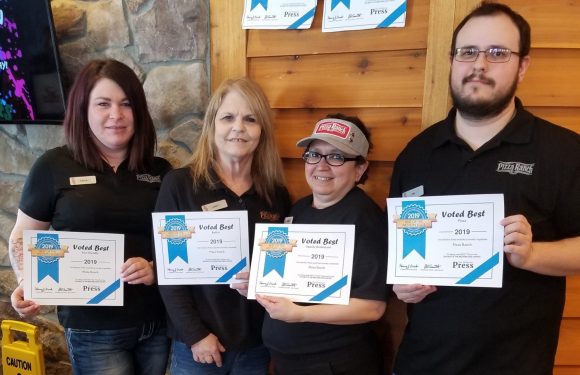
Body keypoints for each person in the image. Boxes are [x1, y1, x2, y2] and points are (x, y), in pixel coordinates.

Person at [389, 2, 580, 374]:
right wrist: (402, 284)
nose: (479, 65)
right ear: (452, 60)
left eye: (497, 53)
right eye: (468, 52)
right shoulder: (416, 154)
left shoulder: (564, 152)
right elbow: (402, 249)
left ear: (522, 65)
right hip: (420, 363)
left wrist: (533, 255)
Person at [8, 59, 172, 375]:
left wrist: (155, 269)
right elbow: (22, 235)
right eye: (103, 104)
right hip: (93, 331)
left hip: (156, 321)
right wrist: (27, 281)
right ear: (83, 109)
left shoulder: (161, 171)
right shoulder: (53, 166)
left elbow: (175, 243)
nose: (116, 115)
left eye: (126, 104)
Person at [154, 77, 291, 375]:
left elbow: (281, 269)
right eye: (228, 117)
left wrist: (262, 279)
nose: (238, 127)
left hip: (255, 347)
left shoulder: (276, 195)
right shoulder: (180, 185)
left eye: (250, 119)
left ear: (262, 130)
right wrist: (196, 336)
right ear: (212, 125)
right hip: (197, 348)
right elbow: (169, 274)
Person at [257, 114, 388, 375]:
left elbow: (372, 307)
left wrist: (299, 315)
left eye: (337, 157)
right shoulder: (299, 208)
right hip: (289, 361)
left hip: (333, 363)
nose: (322, 166)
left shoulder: (365, 218)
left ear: (360, 168)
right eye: (314, 154)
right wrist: (256, 282)